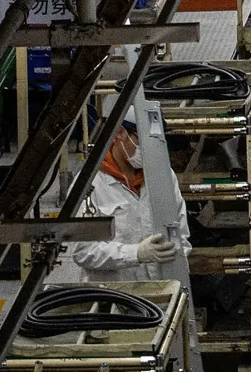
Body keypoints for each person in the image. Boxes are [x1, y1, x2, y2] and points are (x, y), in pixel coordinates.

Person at [68, 118, 190, 283]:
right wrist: (136, 253)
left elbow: (180, 234)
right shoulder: (89, 184)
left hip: (161, 291)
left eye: (155, 141)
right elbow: (83, 251)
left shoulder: (164, 175)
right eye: (142, 140)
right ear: (120, 134)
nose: (148, 148)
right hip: (112, 296)